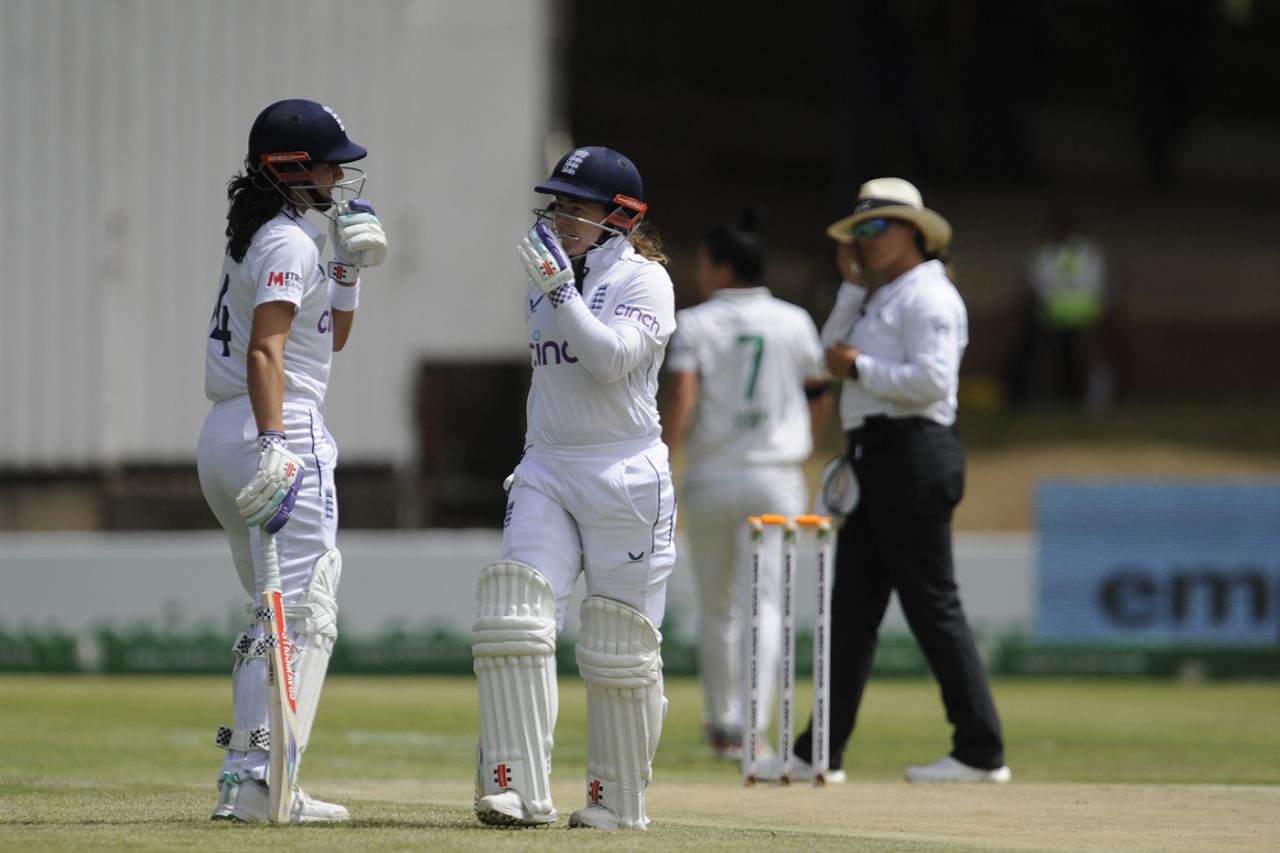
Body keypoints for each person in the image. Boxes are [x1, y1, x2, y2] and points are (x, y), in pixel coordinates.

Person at [471, 146, 677, 831]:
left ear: (620, 216)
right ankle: (513, 786)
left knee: (621, 646)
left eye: (575, 207)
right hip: (547, 466)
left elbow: (609, 359)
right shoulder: (545, 278)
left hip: (626, 475)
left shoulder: (646, 281)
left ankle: (615, 801)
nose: (560, 218)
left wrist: (562, 291)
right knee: (515, 613)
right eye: (556, 205)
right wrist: (557, 286)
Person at [196, 99, 388, 821]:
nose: (339, 175)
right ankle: (261, 782)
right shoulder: (287, 243)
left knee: (271, 615)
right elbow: (265, 351)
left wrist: (349, 271)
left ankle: (246, 778)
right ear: (288, 168)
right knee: (304, 612)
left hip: (225, 434)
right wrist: (276, 443)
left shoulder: (266, 236)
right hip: (275, 426)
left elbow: (325, 338)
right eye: (328, 164)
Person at [784, 178, 1011, 784]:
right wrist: (850, 287)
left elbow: (933, 382)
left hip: (913, 454)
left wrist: (860, 366)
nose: (864, 239)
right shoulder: (878, 295)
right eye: (857, 230)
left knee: (932, 606)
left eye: (876, 226)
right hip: (875, 458)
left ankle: (981, 751)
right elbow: (827, 356)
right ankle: (818, 753)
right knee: (851, 610)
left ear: (913, 231)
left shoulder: (929, 295)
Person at [661, 208, 829, 764]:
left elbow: (683, 395)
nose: (699, 272)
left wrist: (663, 457)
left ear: (724, 267)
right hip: (775, 477)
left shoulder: (694, 322)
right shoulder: (795, 321)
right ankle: (753, 728)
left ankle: (724, 723)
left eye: (704, 263)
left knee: (717, 607)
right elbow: (818, 395)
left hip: (711, 476)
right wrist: (801, 441)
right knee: (767, 605)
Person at [1003, 208, 1114, 412]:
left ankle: (1095, 401)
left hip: (1084, 320)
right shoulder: (1043, 255)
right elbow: (1033, 289)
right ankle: (1032, 397)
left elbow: (1098, 288)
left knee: (1092, 354)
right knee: (1024, 347)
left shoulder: (1088, 252)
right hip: (1050, 320)